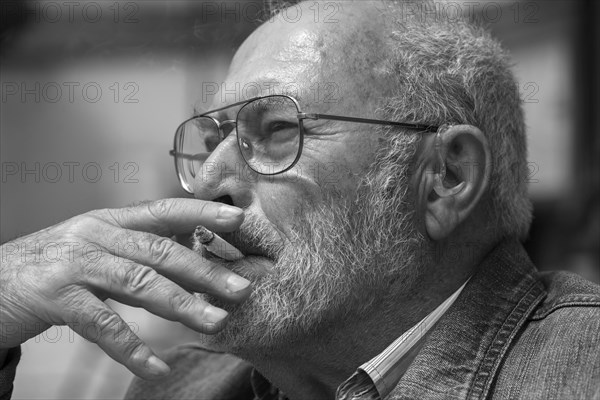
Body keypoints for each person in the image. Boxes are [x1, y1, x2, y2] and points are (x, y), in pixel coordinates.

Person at [1, 1, 599, 399]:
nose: (211, 180)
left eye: (277, 130)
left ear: (445, 177)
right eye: (211, 143)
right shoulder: (177, 385)